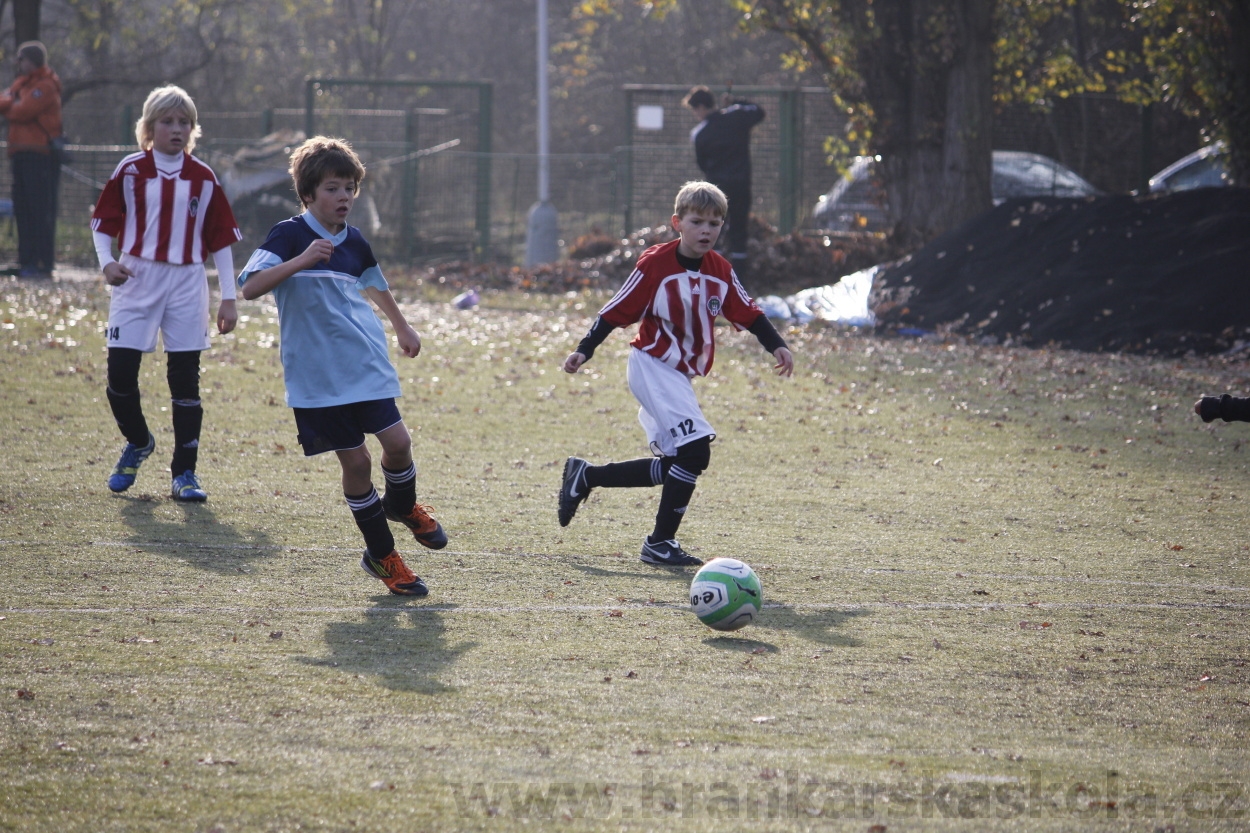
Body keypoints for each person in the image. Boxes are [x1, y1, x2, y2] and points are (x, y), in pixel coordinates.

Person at [237, 136, 447, 597]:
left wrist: (403, 327)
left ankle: (405, 505)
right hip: (317, 379)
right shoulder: (288, 235)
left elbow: (376, 284)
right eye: (334, 188)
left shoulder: (355, 242)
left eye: (350, 188)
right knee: (357, 461)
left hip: (364, 364)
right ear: (308, 193)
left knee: (399, 442)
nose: (345, 197)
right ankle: (382, 555)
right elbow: (250, 288)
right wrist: (301, 260)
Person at [558, 180, 794, 567]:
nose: (706, 230)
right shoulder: (656, 266)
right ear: (677, 223)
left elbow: (748, 312)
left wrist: (777, 344)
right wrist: (584, 349)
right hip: (652, 365)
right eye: (697, 221)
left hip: (676, 375)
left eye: (715, 223)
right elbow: (615, 310)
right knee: (696, 450)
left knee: (678, 463)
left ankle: (587, 477)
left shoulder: (721, 270)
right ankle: (660, 542)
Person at [91, 85, 242, 501]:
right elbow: (102, 223)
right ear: (149, 127)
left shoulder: (204, 177)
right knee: (119, 377)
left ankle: (185, 474)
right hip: (136, 277)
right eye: (168, 122)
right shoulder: (131, 170)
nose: (176, 129)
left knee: (185, 380)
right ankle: (138, 441)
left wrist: (228, 297)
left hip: (187, 281)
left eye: (184, 123)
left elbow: (222, 240)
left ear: (193, 129)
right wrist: (107, 263)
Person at [683, 86, 765, 274]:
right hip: (742, 185)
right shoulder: (737, 117)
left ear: (702, 107)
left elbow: (701, 163)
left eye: (695, 110)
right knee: (739, 231)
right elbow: (759, 112)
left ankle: (714, 278)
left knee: (713, 231)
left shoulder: (700, 133)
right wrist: (737, 102)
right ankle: (739, 283)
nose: (696, 114)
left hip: (716, 190)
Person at [0, 41, 62, 278]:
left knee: (39, 209)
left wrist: (11, 105)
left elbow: (23, 110)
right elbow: (6, 101)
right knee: (23, 209)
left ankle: (42, 262)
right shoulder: (21, 84)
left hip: (39, 155)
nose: (18, 63)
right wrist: (11, 103)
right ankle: (25, 260)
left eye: (21, 58)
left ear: (32, 60)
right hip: (20, 153)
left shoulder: (45, 86)